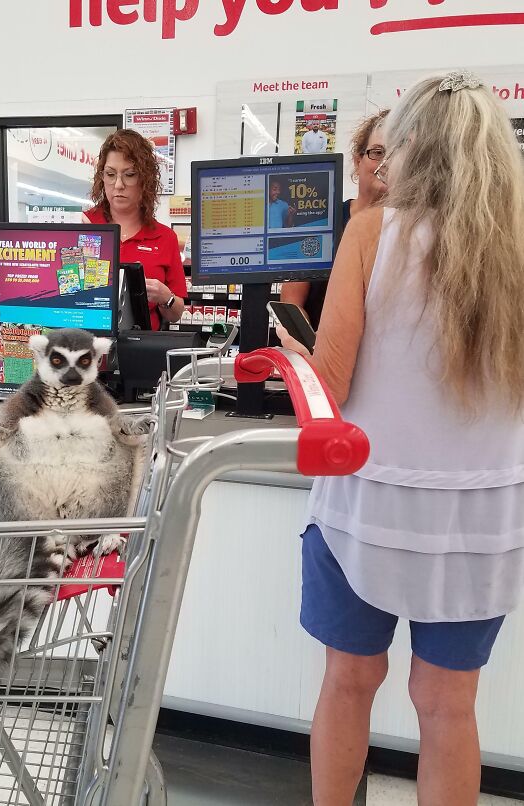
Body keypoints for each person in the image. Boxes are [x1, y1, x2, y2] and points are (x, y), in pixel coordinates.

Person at [276, 70, 524, 806]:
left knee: (348, 681)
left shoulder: (371, 232)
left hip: (367, 505)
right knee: (449, 705)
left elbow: (330, 387)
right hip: (484, 515)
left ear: (411, 146)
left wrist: (288, 351)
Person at [281, 109, 389, 329]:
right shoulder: (320, 222)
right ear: (357, 161)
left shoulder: (413, 229)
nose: (386, 162)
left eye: (398, 153)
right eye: (377, 152)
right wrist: (309, 344)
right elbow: (291, 302)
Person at [84, 129, 186, 330]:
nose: (118, 184)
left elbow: (176, 314)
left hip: (140, 344)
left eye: (129, 175)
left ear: (145, 179)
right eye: (110, 174)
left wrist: (165, 297)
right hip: (87, 341)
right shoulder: (84, 225)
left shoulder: (165, 237)